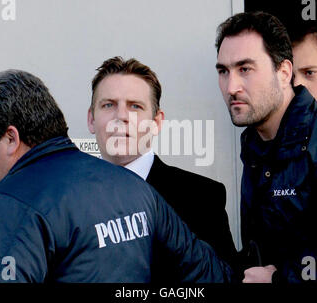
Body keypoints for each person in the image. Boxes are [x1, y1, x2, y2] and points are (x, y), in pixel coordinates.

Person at [0, 69, 234, 283]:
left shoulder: (12, 206)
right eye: (108, 105)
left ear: (11, 138)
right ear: (91, 117)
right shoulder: (135, 188)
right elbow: (212, 274)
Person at [215, 11, 317, 283]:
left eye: (245, 69)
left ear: (283, 72)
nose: (231, 86)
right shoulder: (256, 144)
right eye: (223, 71)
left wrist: (280, 278)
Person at [87, 56, 236, 282]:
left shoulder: (203, 198)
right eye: (108, 105)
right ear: (91, 119)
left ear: (156, 122)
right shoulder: (64, 199)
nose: (121, 116)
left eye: (135, 106)